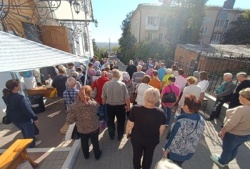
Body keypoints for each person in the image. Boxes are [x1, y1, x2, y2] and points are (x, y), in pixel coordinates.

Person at [126, 88, 166, 169]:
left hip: (137, 138)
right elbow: (162, 129)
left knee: (136, 155)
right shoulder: (161, 113)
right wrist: (158, 138)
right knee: (148, 156)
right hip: (152, 140)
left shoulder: (135, 108)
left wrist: (127, 133)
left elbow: (130, 125)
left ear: (145, 97)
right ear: (157, 99)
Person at [210, 88, 250, 167]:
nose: (238, 97)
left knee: (227, 149)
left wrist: (222, 131)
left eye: (240, 96)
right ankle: (227, 160)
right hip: (245, 135)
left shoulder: (241, 109)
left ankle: (222, 161)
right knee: (234, 148)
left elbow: (231, 123)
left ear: (246, 97)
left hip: (234, 134)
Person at [163, 95, 205, 167]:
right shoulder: (201, 120)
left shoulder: (181, 122)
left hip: (175, 153)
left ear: (187, 107)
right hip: (189, 151)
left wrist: (166, 150)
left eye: (184, 104)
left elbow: (173, 138)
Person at [66, 86, 102, 160]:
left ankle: (86, 155)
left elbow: (69, 121)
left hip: (82, 129)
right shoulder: (94, 104)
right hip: (94, 127)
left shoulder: (73, 106)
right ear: (90, 93)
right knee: (95, 142)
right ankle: (97, 155)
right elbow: (99, 114)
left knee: (84, 142)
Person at [2, 79, 41, 148]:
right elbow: (27, 109)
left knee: (23, 130)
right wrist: (35, 118)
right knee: (29, 131)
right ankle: (31, 145)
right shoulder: (20, 98)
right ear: (15, 87)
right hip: (24, 118)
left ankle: (26, 141)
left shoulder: (6, 96)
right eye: (19, 84)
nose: (20, 85)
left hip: (14, 118)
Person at [102, 69, 130, 141]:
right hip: (120, 107)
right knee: (121, 122)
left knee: (110, 122)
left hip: (109, 106)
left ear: (112, 75)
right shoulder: (122, 85)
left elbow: (103, 97)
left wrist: (104, 105)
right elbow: (127, 98)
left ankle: (111, 135)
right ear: (119, 76)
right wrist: (128, 107)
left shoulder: (106, 84)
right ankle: (120, 136)